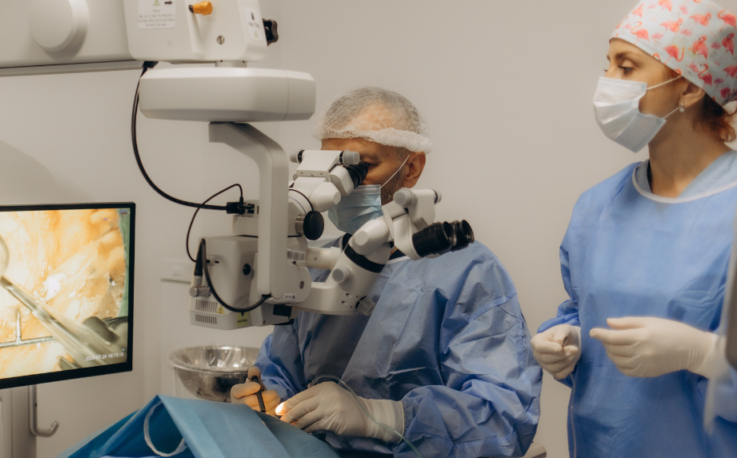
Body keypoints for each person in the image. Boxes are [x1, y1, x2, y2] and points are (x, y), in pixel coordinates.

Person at [232, 87, 542, 458]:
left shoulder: (467, 273)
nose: (339, 188)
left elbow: (502, 422)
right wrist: (264, 399)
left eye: (359, 168)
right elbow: (280, 371)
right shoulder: (315, 266)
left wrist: (385, 417)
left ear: (410, 168)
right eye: (331, 168)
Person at [532, 0, 737, 457]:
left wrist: (708, 356)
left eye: (627, 66)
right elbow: (584, 307)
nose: (608, 80)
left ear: (691, 86)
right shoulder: (598, 207)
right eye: (608, 64)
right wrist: (570, 339)